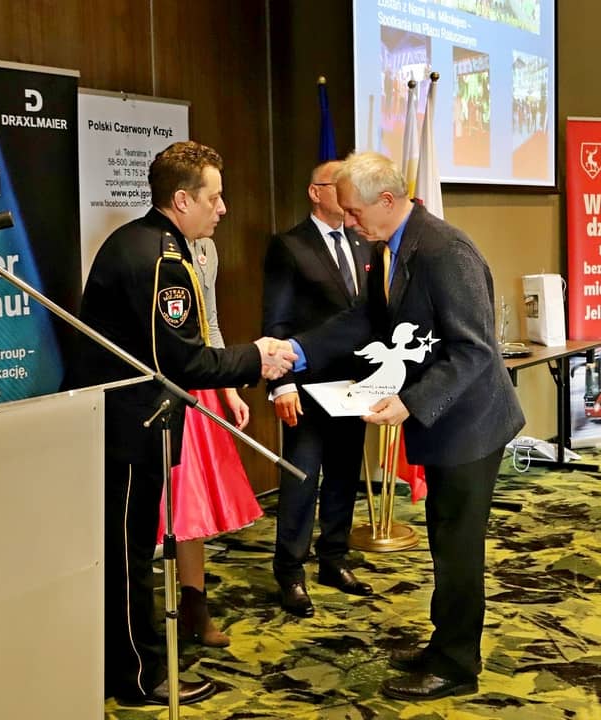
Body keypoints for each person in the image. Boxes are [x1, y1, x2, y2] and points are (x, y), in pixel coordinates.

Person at [282, 151, 525, 701]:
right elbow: (365, 320)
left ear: (387, 200)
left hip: (470, 424)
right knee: (444, 539)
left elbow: (474, 349)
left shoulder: (445, 251)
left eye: (353, 211)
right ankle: (445, 645)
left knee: (457, 547)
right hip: (445, 421)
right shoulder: (386, 246)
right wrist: (298, 350)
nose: (348, 221)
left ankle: (457, 666)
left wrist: (412, 402)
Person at [68, 140, 295, 707]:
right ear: (182, 200)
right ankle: (137, 678)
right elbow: (184, 361)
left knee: (128, 553)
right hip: (128, 430)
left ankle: (127, 666)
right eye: (214, 198)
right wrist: (256, 357)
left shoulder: (143, 240)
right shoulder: (163, 259)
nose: (223, 208)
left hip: (127, 423)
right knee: (128, 560)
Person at [262, 160, 374, 618]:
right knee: (301, 480)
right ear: (315, 192)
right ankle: (290, 572)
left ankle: (334, 559)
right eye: (339, 186)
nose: (349, 195)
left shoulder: (363, 241)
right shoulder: (289, 246)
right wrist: (281, 384)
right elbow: (276, 322)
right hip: (305, 388)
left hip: (354, 384)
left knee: (345, 476)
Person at [162, 235, 263, 647]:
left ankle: (194, 604)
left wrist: (229, 389)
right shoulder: (151, 249)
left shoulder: (208, 248)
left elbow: (212, 323)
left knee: (191, 506)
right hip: (163, 386)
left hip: (200, 383)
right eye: (214, 202)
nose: (221, 209)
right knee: (163, 502)